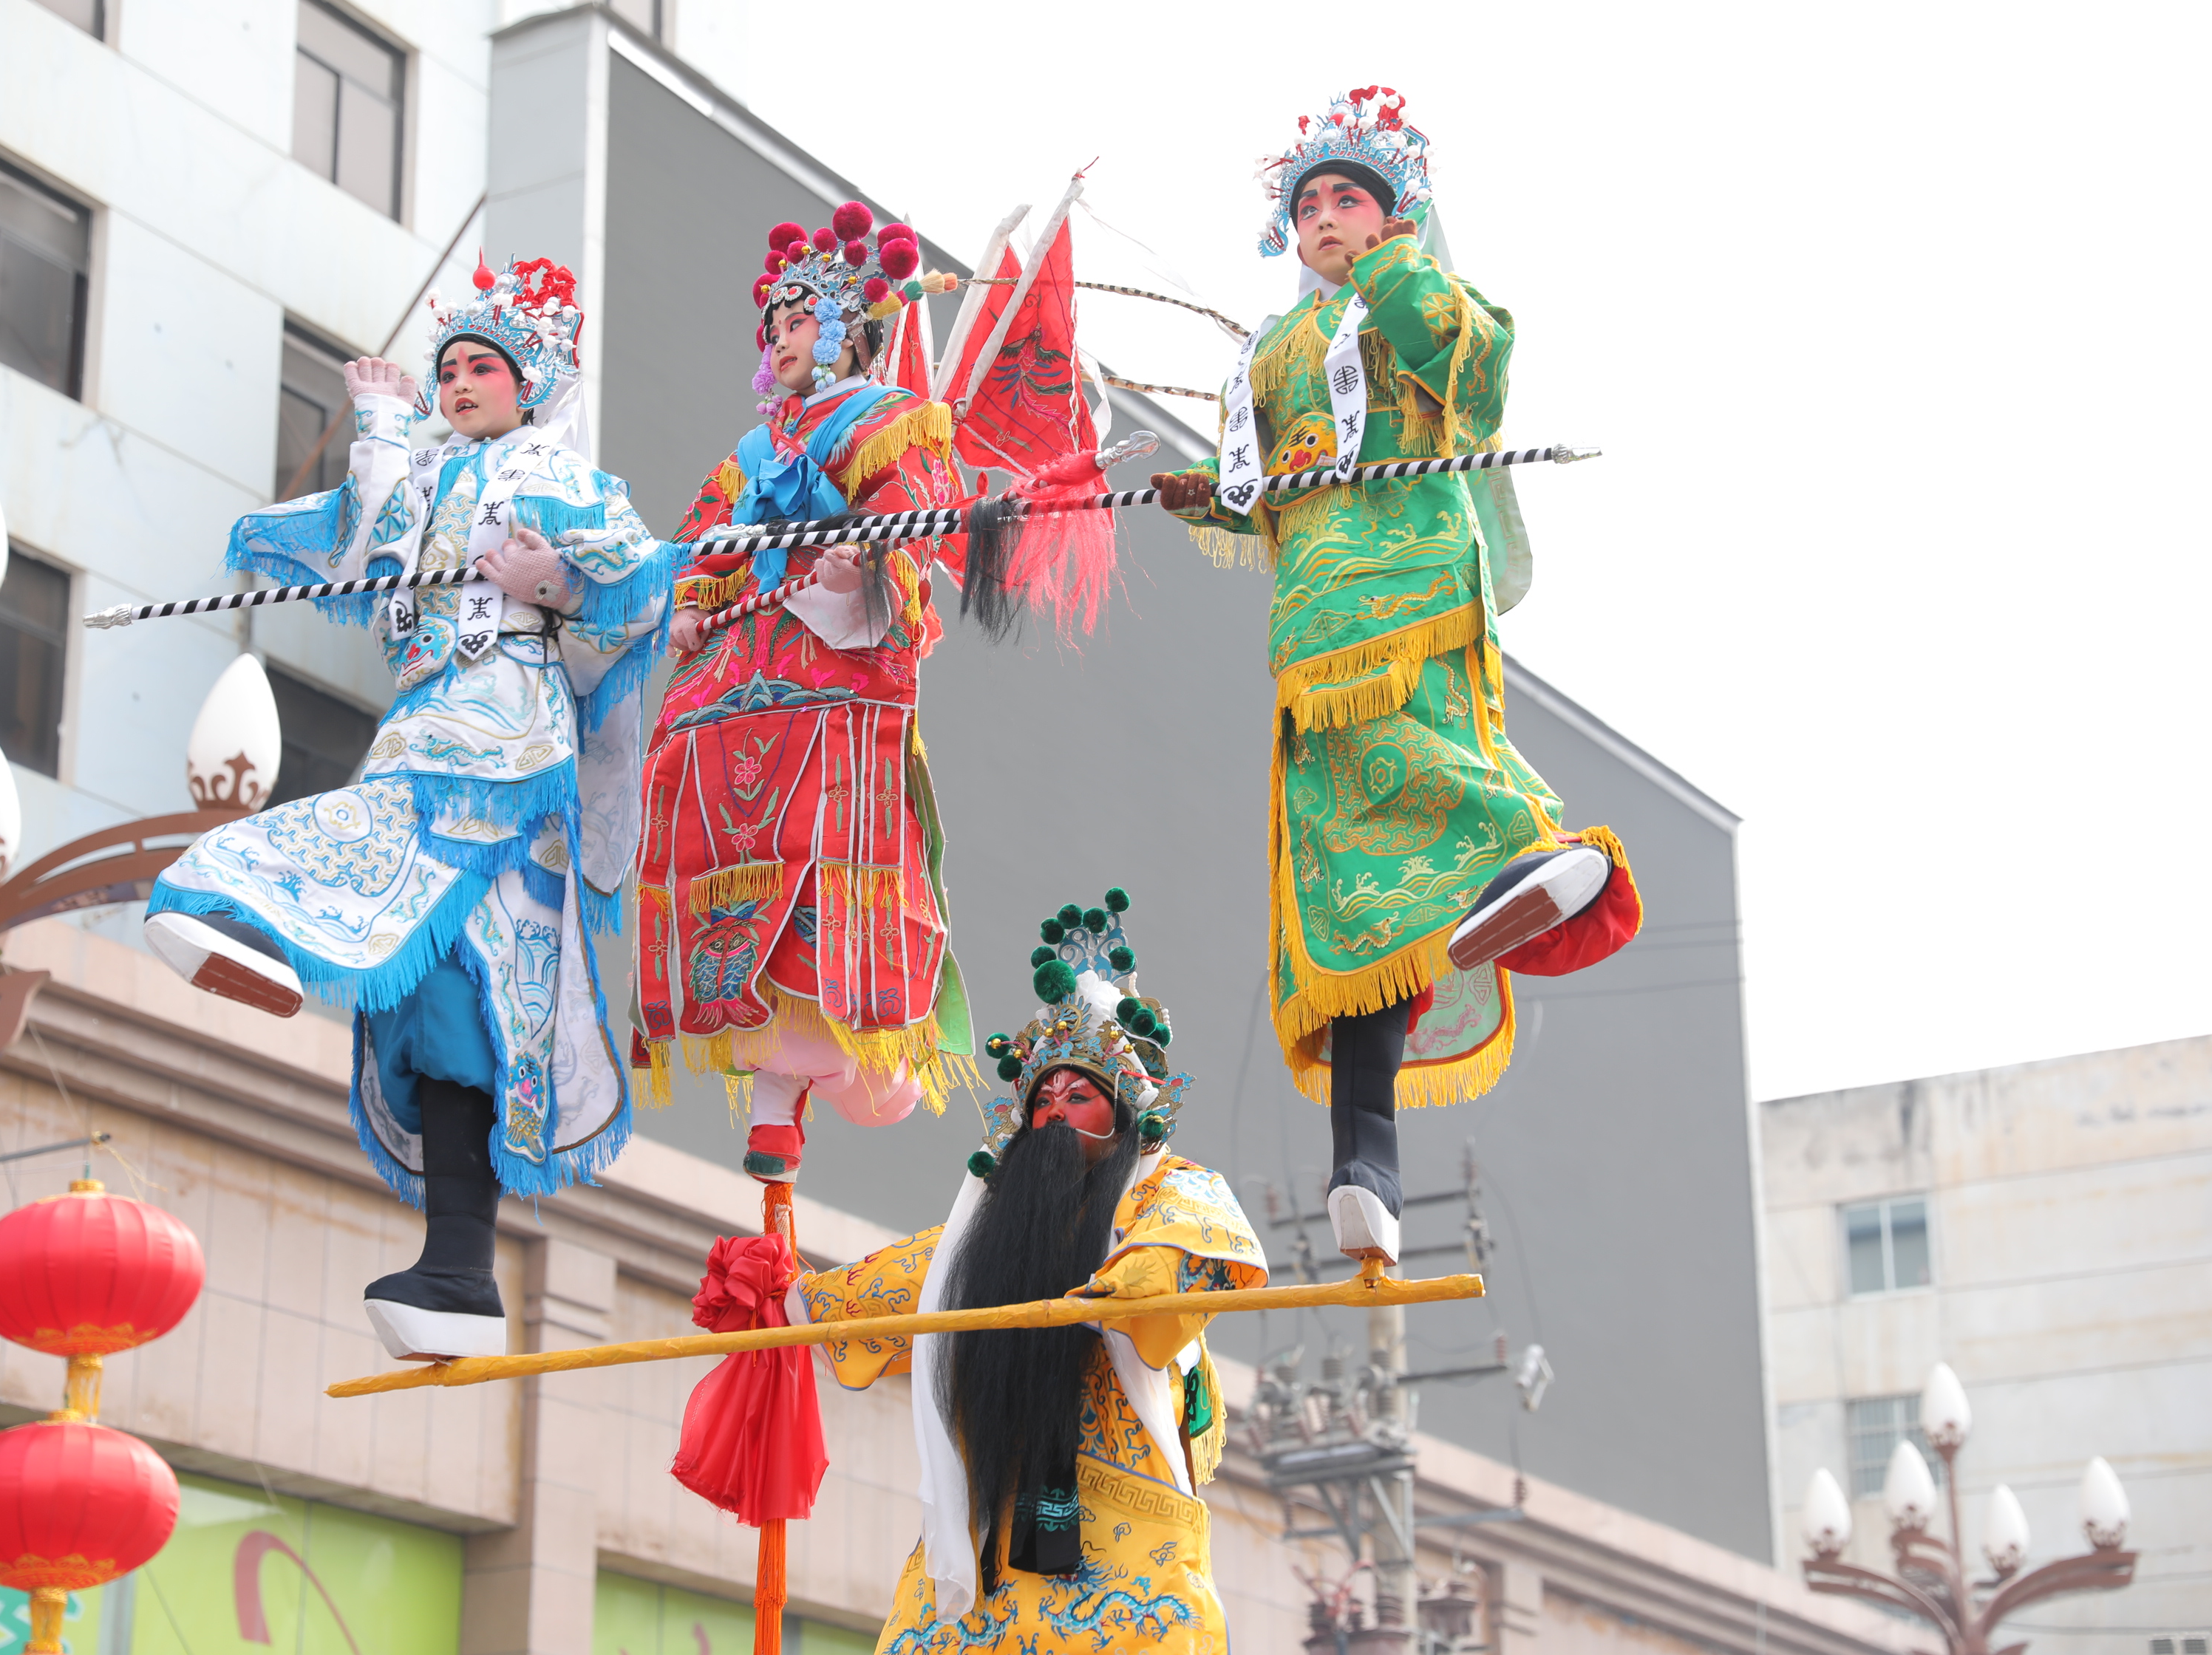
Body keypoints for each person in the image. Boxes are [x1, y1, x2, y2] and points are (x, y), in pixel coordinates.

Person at [142, 256, 678, 1362]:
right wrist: (382, 427)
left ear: (532, 386)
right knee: (445, 1011)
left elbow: (644, 586)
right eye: (450, 368)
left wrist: (562, 589)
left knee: (423, 926)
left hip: (506, 743)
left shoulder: (559, 476)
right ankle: (457, 1275)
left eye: (484, 365)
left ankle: (244, 913)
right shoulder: (430, 472)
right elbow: (365, 557)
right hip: (432, 724)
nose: (463, 380)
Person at [1148, 87, 1643, 1264]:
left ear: (1392, 215)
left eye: (1348, 199)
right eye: (1310, 203)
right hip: (1312, 621)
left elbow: (1475, 373)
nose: (1325, 217)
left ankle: (1531, 859)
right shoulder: (1272, 348)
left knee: (1426, 756)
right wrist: (1200, 495)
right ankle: (1361, 1157)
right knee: (1343, 882)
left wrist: (1392, 265)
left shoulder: (1415, 298)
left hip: (1413, 578)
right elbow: (1262, 482)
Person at [775, 891, 1261, 1651]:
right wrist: (784, 1291)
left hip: (1125, 1531)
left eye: (1082, 1095)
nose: (1058, 1111)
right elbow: (894, 1289)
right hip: (993, 1528)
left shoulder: (1168, 1191)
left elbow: (1201, 1244)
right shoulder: (984, 1239)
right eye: (1044, 1099)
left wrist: (1130, 1283)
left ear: (1126, 1116)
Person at [630, 202, 975, 1183]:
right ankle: (775, 1101)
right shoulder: (750, 451)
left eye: (799, 321)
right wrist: (696, 600)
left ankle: (814, 1077)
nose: (779, 339)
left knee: (820, 862)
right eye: (773, 324)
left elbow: (912, 523)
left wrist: (863, 565)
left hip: (830, 667)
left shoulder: (893, 419)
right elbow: (708, 538)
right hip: (744, 677)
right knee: (731, 854)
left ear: (852, 334)